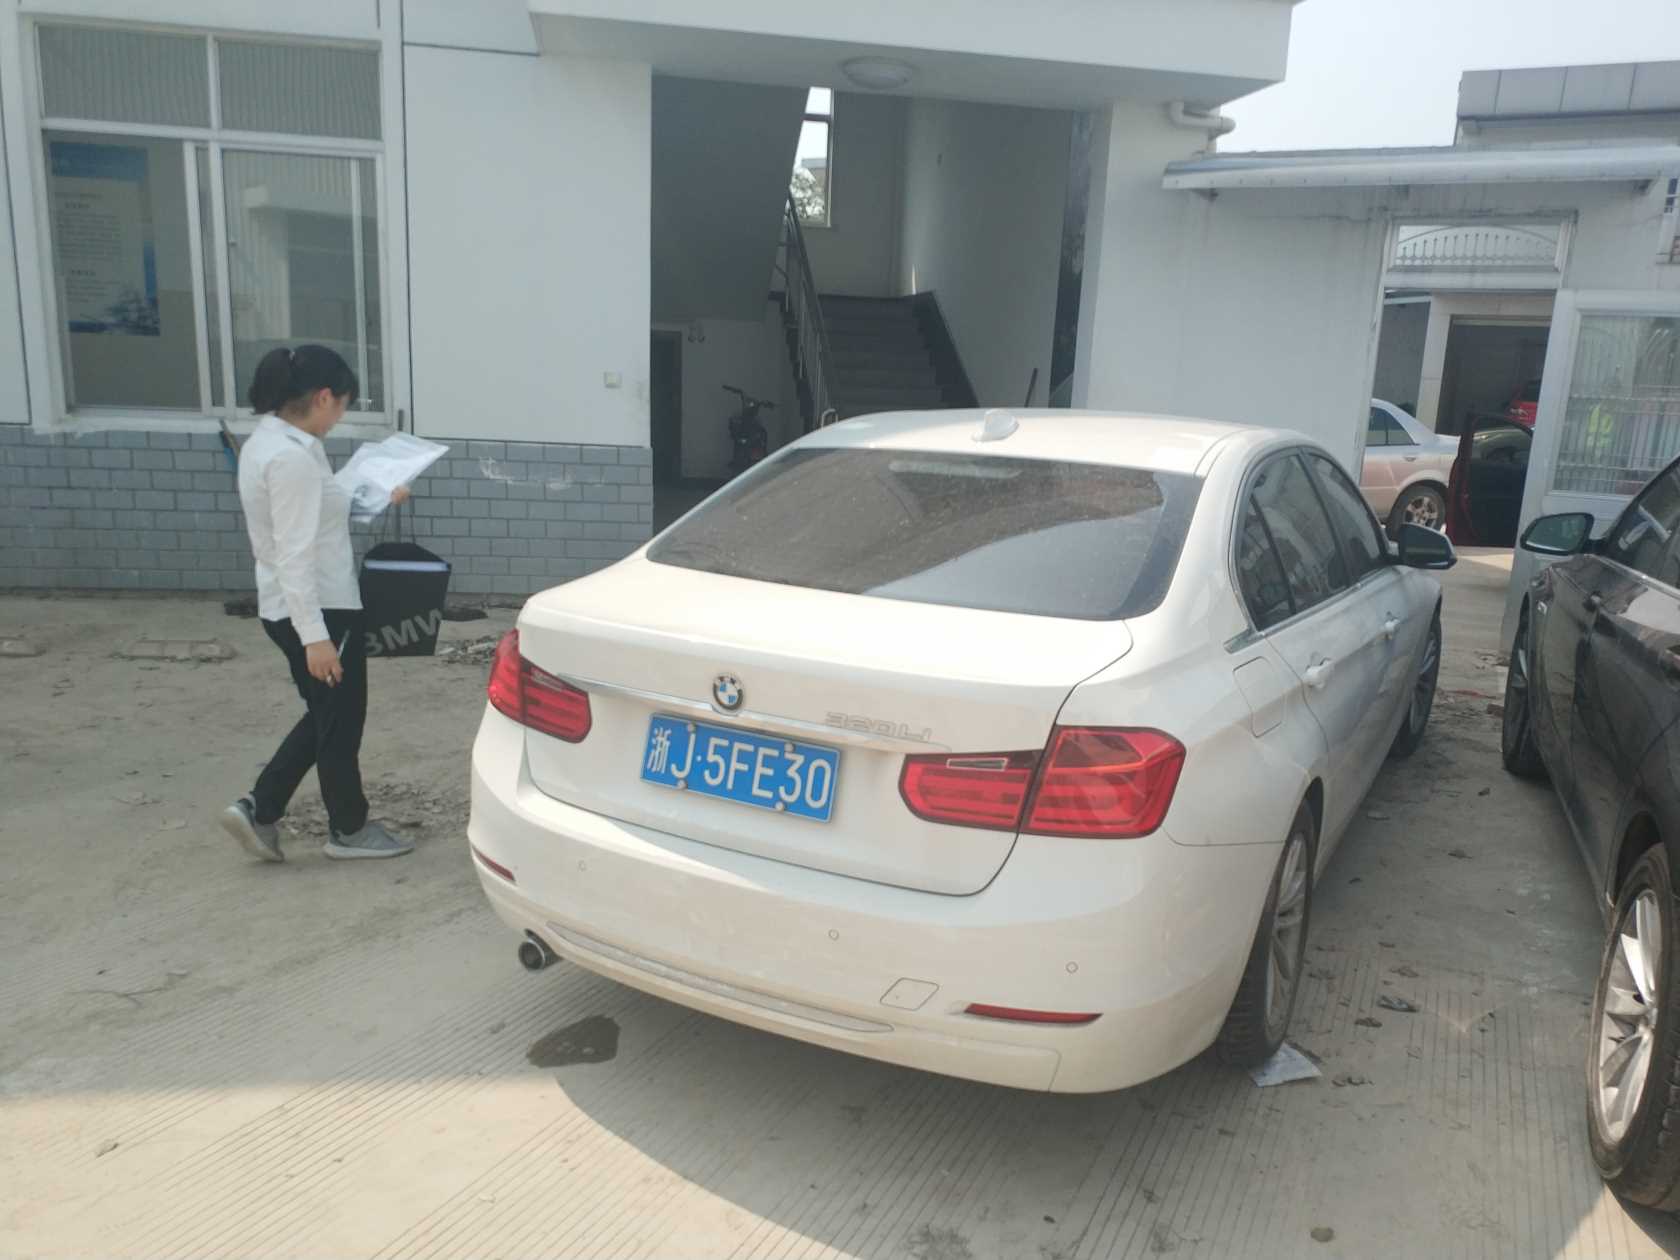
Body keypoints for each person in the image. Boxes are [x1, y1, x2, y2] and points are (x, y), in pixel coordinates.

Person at [219, 345, 414, 862]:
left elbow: (320, 506)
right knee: (341, 723)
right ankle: (348, 829)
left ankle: (259, 808)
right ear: (324, 397)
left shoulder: (278, 443)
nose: (340, 416)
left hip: (295, 605)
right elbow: (295, 552)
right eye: (342, 405)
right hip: (319, 609)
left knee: (326, 716)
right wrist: (316, 637)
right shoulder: (291, 460)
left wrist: (378, 493)